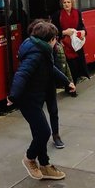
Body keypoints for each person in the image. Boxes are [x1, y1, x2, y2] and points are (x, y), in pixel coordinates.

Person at [7, 20, 70, 180]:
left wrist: (67, 82)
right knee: (44, 132)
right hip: (28, 100)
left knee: (38, 133)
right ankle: (29, 159)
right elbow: (22, 74)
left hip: (35, 98)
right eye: (55, 38)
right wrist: (12, 96)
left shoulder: (42, 51)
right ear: (49, 40)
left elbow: (51, 69)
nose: (57, 41)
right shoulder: (36, 54)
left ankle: (45, 165)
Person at [27, 19, 76, 149]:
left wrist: (68, 81)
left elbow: (63, 66)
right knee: (38, 113)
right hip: (37, 87)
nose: (55, 40)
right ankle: (38, 136)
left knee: (53, 110)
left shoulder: (56, 48)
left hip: (50, 84)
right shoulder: (34, 51)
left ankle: (56, 135)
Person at [50, 0, 89, 86]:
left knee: (76, 66)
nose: (66, 4)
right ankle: (70, 87)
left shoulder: (77, 13)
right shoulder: (57, 15)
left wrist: (84, 31)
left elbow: (81, 26)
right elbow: (53, 31)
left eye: (68, 2)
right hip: (63, 45)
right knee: (68, 67)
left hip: (75, 45)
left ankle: (73, 85)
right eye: (64, 3)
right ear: (62, 4)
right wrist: (64, 32)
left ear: (72, 3)